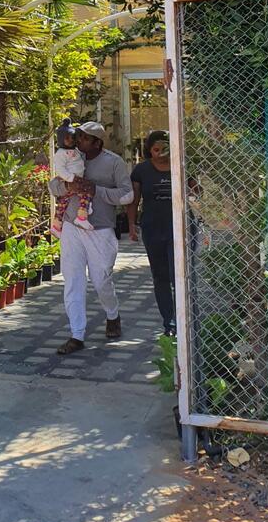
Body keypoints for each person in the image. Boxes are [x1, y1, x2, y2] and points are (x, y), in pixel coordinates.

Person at [49, 121, 134, 355]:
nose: (78, 141)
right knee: (73, 280)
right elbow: (53, 187)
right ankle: (76, 334)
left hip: (100, 230)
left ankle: (112, 315)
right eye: (78, 136)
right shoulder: (69, 156)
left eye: (85, 138)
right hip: (71, 227)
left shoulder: (114, 162)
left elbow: (127, 195)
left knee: (101, 280)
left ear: (98, 142)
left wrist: (95, 190)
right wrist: (69, 187)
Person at [127, 130, 176, 336]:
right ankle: (169, 323)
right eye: (156, 149)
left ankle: (185, 319)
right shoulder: (141, 170)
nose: (160, 153)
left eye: (165, 148)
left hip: (178, 229)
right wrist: (131, 225)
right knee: (160, 276)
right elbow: (134, 199)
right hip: (153, 228)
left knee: (178, 275)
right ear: (149, 150)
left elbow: (196, 191)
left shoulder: (181, 165)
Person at [51, 118, 93, 235]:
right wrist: (70, 178)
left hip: (76, 178)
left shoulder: (75, 150)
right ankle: (82, 216)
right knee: (87, 192)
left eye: (72, 137)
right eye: (67, 138)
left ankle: (56, 226)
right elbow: (60, 169)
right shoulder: (60, 154)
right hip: (71, 180)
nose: (70, 140)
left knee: (63, 203)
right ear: (61, 139)